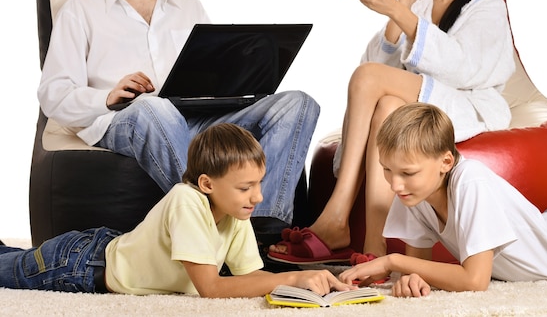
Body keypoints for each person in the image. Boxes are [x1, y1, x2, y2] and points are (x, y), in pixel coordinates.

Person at [36, 0, 319, 244]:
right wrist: (108, 97)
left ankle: (262, 232)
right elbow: (53, 95)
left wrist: (240, 80)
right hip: (126, 118)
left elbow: (216, 75)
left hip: (199, 119)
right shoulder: (82, 10)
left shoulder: (190, 7)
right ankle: (209, 228)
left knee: (298, 103)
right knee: (154, 106)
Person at [269, 0, 514, 263]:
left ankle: (337, 214)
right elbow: (382, 64)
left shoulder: (486, 7)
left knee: (368, 78)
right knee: (384, 106)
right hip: (422, 101)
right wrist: (400, 9)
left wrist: (401, 14)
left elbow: (462, 70)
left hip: (465, 103)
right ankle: (374, 242)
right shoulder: (423, 3)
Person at [0, 124, 352, 297]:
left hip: (108, 247)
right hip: (81, 264)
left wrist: (301, 286)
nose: (257, 197)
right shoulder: (187, 200)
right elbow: (211, 287)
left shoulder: (235, 211)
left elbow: (251, 278)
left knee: (9, 258)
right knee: (8, 270)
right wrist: (291, 277)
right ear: (207, 184)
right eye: (246, 188)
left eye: (259, 184)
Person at [336, 103, 547, 296]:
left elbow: (476, 281)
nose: (395, 184)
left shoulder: (469, 180)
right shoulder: (414, 191)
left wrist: (391, 262)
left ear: (446, 161)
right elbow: (416, 268)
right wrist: (409, 279)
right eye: (387, 170)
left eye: (407, 172)